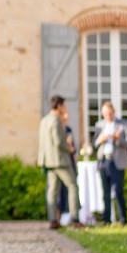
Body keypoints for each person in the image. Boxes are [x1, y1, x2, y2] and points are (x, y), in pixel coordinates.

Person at [38, 96, 82, 230]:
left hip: (48, 161)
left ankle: (53, 219)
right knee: (73, 186)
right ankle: (75, 218)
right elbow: (58, 142)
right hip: (60, 160)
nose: (65, 108)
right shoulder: (56, 120)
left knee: (52, 190)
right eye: (64, 106)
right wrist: (69, 148)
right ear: (59, 106)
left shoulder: (44, 120)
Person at [93, 102, 127, 225]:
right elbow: (95, 143)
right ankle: (106, 219)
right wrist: (101, 139)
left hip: (117, 161)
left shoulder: (123, 124)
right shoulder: (99, 125)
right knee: (105, 192)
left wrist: (118, 139)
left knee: (118, 191)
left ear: (114, 112)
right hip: (103, 161)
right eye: (105, 114)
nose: (108, 116)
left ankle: (123, 219)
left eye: (110, 114)